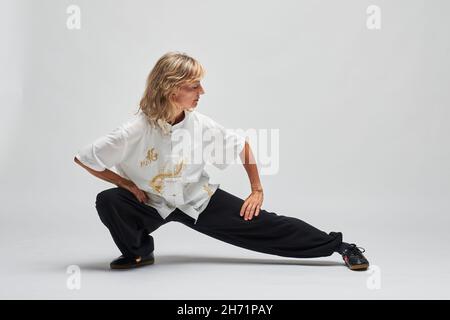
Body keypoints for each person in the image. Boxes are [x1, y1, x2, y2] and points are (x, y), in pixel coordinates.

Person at [74, 51, 369, 271]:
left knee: (267, 225)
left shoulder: (199, 124)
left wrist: (257, 190)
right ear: (170, 88)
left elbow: (243, 147)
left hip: (196, 199)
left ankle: (339, 246)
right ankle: (138, 252)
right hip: (150, 202)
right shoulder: (134, 129)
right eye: (194, 86)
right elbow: (86, 158)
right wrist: (124, 183)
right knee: (110, 200)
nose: (201, 92)